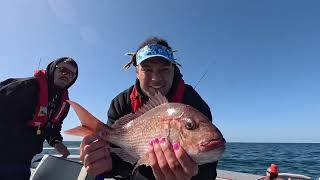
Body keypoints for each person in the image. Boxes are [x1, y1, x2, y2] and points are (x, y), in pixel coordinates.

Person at [80, 37, 218, 180]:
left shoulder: (195, 103)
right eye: (147, 70)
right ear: (137, 72)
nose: (156, 79)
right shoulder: (121, 102)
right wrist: (107, 166)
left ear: (173, 69)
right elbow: (115, 154)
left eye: (164, 69)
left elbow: (209, 168)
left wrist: (192, 177)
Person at [0, 57, 78, 180]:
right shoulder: (24, 87)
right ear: (52, 69)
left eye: (72, 74)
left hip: (24, 160)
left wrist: (56, 142)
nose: (67, 75)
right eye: (63, 70)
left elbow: (53, 126)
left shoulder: (63, 103)